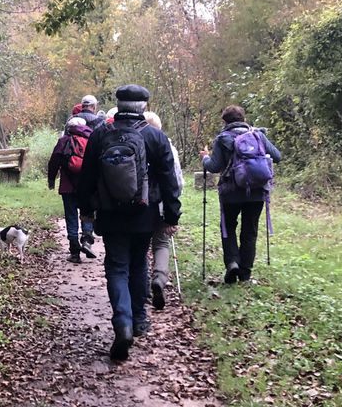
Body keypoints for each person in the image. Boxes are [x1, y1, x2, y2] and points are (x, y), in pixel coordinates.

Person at [77, 85, 181, 361]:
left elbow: (86, 177)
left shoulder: (100, 135)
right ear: (144, 107)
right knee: (138, 263)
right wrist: (172, 215)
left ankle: (122, 323)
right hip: (145, 216)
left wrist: (86, 210)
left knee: (116, 266)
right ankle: (139, 319)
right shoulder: (156, 137)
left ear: (118, 105)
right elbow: (170, 181)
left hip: (111, 215)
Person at [199, 105, 282, 284]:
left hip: (231, 192)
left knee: (228, 227)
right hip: (257, 191)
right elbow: (277, 156)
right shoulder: (258, 135)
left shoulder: (222, 139)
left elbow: (214, 167)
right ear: (243, 118)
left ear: (225, 121)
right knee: (249, 231)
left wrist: (205, 157)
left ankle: (232, 263)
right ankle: (245, 274)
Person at [143, 111, 183, 310]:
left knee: (140, 245)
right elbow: (177, 181)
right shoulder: (170, 148)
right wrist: (173, 211)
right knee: (161, 243)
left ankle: (142, 289)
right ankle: (159, 277)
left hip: (142, 205)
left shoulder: (138, 142)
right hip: (162, 203)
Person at [48, 117, 97, 263]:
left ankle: (74, 251)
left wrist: (51, 179)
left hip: (68, 185)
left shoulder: (64, 141)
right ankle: (87, 240)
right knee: (87, 212)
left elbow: (54, 161)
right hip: (87, 186)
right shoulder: (91, 139)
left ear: (69, 127)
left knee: (71, 217)